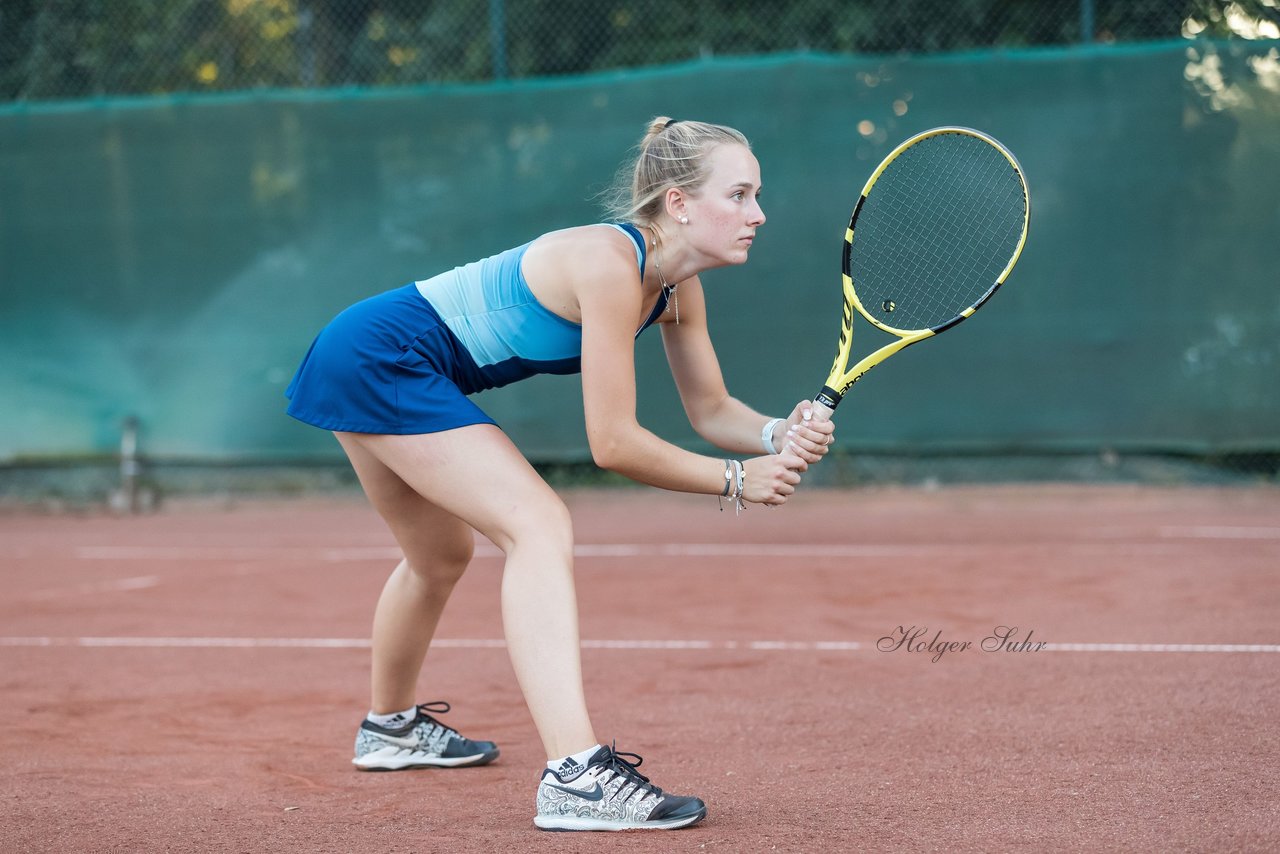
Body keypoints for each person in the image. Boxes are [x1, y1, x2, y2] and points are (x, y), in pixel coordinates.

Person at [284, 116, 836, 832]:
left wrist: (774, 434)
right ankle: (575, 775)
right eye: (739, 194)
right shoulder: (609, 267)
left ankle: (388, 729)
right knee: (538, 524)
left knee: (439, 556)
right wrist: (737, 481)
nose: (757, 213)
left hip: (363, 351)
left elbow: (712, 410)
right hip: (380, 355)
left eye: (756, 194)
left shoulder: (676, 290)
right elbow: (612, 444)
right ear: (677, 203)